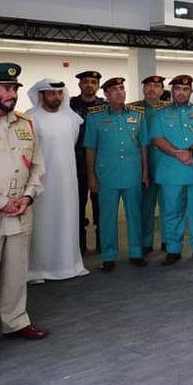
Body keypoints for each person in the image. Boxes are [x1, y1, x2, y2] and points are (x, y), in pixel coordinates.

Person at [0, 63, 48, 364]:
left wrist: (29, 196)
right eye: (6, 87)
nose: (12, 93)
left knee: (17, 271)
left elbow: (37, 165)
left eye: (15, 88)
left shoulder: (24, 123)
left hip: (20, 209)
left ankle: (16, 321)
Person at [25, 78, 88, 282]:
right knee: (42, 224)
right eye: (51, 93)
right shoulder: (30, 118)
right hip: (41, 181)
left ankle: (68, 265)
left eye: (60, 93)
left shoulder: (72, 119)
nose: (56, 97)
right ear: (41, 95)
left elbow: (73, 143)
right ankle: (38, 270)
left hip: (67, 181)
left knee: (67, 220)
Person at [150, 75, 193, 265]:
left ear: (190, 92)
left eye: (185, 89)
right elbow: (157, 138)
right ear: (171, 91)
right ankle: (173, 249)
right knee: (172, 212)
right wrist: (177, 153)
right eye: (177, 88)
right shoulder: (160, 113)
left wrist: (190, 151)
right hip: (171, 171)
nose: (181, 92)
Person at [84, 77, 150, 271]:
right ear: (106, 94)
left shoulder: (138, 115)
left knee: (135, 215)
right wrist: (91, 176)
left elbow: (144, 146)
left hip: (132, 172)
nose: (120, 92)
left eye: (122, 88)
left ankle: (136, 252)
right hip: (107, 174)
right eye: (114, 90)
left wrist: (145, 173)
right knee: (107, 217)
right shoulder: (95, 116)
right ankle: (109, 255)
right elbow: (90, 148)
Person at [132, 75, 168, 254]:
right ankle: (145, 242)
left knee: (168, 204)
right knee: (146, 205)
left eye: (156, 86)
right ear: (143, 89)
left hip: (166, 161)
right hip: (143, 162)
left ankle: (169, 240)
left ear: (162, 90)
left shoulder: (169, 109)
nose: (152, 89)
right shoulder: (133, 109)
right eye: (148, 85)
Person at [70, 70, 105, 254]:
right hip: (75, 165)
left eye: (93, 81)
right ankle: (79, 246)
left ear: (98, 86)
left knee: (101, 206)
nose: (89, 85)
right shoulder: (69, 106)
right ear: (80, 85)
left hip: (100, 164)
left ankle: (102, 243)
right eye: (85, 81)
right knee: (77, 206)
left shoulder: (105, 106)